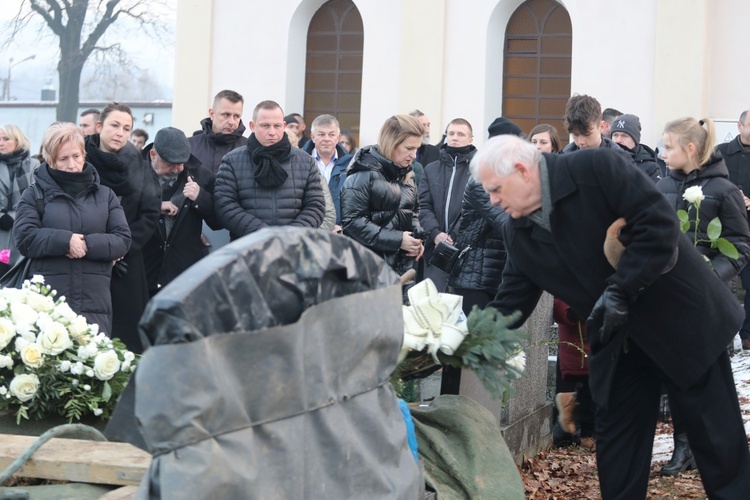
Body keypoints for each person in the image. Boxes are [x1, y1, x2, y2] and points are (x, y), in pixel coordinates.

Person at [475, 134, 750, 499]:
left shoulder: (595, 168)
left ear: (523, 170)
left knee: (717, 444)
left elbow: (659, 226)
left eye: (495, 189)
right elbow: (512, 299)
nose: (492, 200)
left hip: (682, 323)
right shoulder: (519, 232)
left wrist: (621, 288)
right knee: (618, 454)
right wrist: (464, 338)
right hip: (619, 343)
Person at [656, 117, 750, 477]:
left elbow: (740, 245)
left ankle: (706, 447)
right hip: (668, 296)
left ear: (691, 150)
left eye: (668, 147)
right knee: (676, 373)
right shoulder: (662, 183)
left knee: (706, 376)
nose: (662, 154)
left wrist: (711, 275)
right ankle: (684, 443)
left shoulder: (723, 190)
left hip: (707, 300)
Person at [13, 123, 131, 334]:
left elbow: (122, 240)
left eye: (76, 156)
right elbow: (24, 237)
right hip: (47, 302)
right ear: (50, 160)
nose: (72, 165)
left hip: (95, 303)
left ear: (84, 155)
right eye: (63, 159)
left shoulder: (106, 195)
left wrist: (87, 244)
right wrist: (65, 241)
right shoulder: (33, 195)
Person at [85, 103, 160, 353]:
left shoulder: (137, 165)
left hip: (126, 261)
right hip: (86, 257)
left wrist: (122, 247)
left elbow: (150, 212)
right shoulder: (81, 161)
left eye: (126, 128)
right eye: (114, 125)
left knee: (125, 341)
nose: (120, 132)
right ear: (99, 127)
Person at [213, 100, 325, 240]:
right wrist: (263, 234)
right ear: (252, 126)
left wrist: (288, 236)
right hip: (247, 249)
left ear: (283, 126)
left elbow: (316, 206)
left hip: (293, 248)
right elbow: (225, 206)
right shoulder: (232, 161)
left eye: (277, 126)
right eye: (265, 126)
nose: (272, 132)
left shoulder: (306, 161)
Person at [340, 114, 425, 284]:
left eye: (416, 148)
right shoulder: (363, 174)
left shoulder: (408, 175)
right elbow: (352, 222)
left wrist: (416, 238)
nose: (414, 155)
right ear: (392, 143)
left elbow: (413, 212)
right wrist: (398, 240)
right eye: (409, 148)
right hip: (368, 271)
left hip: (403, 270)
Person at [142, 127, 218, 297]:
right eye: (170, 164)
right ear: (153, 155)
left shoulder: (201, 175)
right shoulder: (133, 171)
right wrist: (155, 206)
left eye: (181, 163)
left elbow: (218, 221)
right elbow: (120, 210)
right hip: (143, 273)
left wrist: (200, 197)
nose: (177, 169)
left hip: (184, 277)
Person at [418, 118, 476, 292]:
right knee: (434, 305)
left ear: (471, 139)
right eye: (451, 133)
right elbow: (423, 205)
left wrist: (456, 235)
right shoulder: (431, 169)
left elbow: (477, 209)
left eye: (460, 134)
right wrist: (435, 234)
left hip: (467, 251)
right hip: (436, 250)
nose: (454, 138)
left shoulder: (479, 169)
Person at [716, 109, 750, 351]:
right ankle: (724, 335)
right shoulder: (722, 151)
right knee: (725, 282)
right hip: (725, 227)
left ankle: (747, 334)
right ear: (740, 126)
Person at [301, 114, 353, 230]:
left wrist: (344, 229)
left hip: (340, 232)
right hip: (308, 231)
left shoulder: (351, 165)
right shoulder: (298, 162)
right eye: (321, 134)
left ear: (338, 138)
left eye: (331, 134)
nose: (326, 139)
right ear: (312, 137)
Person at [0, 124, 39, 271]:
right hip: (1, 231)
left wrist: (14, 216)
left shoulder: (33, 165)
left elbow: (37, 197)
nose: (1, 143)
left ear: (18, 140)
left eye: (6, 139)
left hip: (24, 229)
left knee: (23, 279)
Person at [560, 95, 635, 166]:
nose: (581, 142)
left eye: (587, 134)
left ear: (601, 126)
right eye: (575, 134)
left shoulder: (621, 161)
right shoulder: (562, 160)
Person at [188, 90, 248, 176]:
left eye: (236, 116)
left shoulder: (249, 148)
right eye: (226, 114)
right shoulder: (189, 146)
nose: (231, 122)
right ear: (212, 114)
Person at [610, 114, 661, 181]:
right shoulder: (603, 159)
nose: (618, 140)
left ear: (635, 140)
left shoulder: (651, 167)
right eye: (615, 135)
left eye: (624, 136)